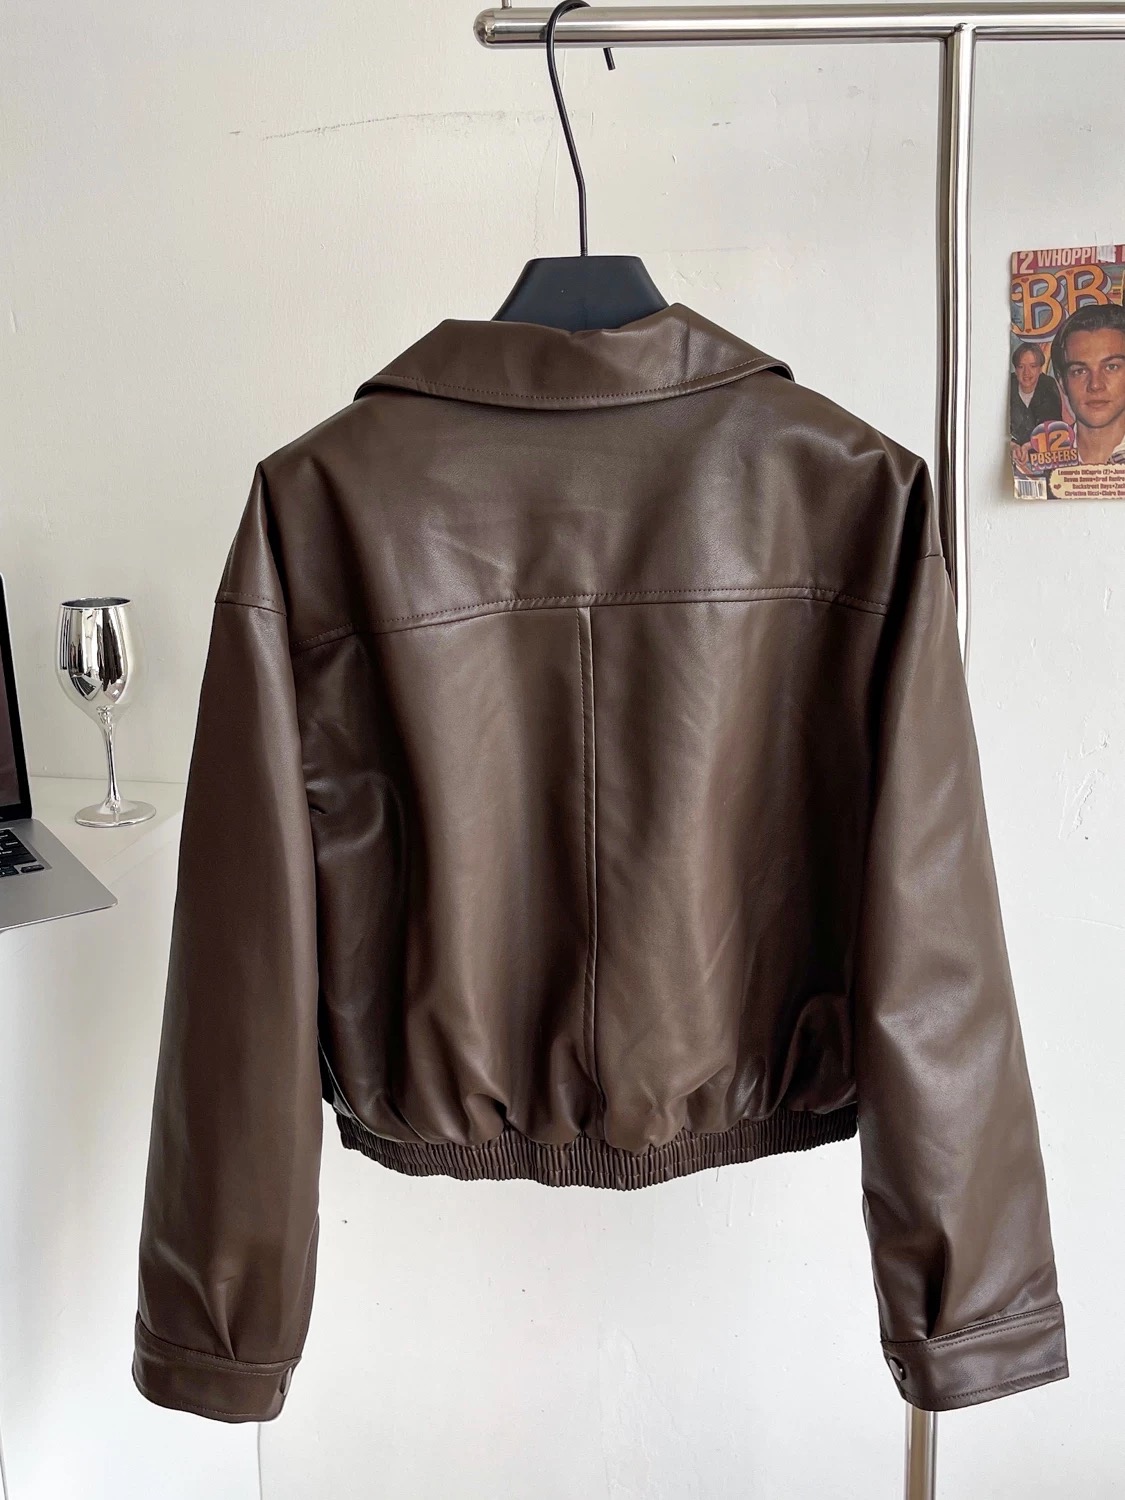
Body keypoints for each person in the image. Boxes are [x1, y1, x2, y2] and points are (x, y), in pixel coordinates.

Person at [1049, 301, 1125, 466]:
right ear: (1062, 383)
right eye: (1080, 371)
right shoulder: (1036, 460)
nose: (1095, 385)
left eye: (1111, 367)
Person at [1010, 340, 1062, 448]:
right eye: (1021, 366)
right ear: (1015, 369)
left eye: (1033, 366)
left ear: (1040, 369)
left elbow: (1054, 429)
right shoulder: (1009, 384)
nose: (1026, 372)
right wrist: (1013, 446)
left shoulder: (1048, 386)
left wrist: (1029, 446)